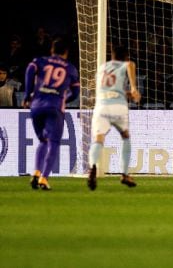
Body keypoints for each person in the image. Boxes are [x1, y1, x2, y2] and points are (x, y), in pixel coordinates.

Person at [22, 38, 80, 190]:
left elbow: (29, 69)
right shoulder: (71, 68)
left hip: (36, 106)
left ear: (52, 50)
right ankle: (44, 178)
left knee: (43, 140)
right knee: (53, 143)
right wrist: (64, 99)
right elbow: (75, 93)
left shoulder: (40, 61)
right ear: (66, 52)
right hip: (54, 108)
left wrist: (27, 94)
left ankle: (36, 171)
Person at [87, 45, 142, 190]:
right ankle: (124, 174)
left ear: (112, 56)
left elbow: (106, 87)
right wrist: (134, 89)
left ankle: (92, 167)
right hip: (118, 105)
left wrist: (126, 93)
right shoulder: (127, 64)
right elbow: (130, 65)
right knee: (125, 136)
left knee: (99, 138)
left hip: (101, 106)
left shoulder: (101, 68)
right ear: (125, 57)